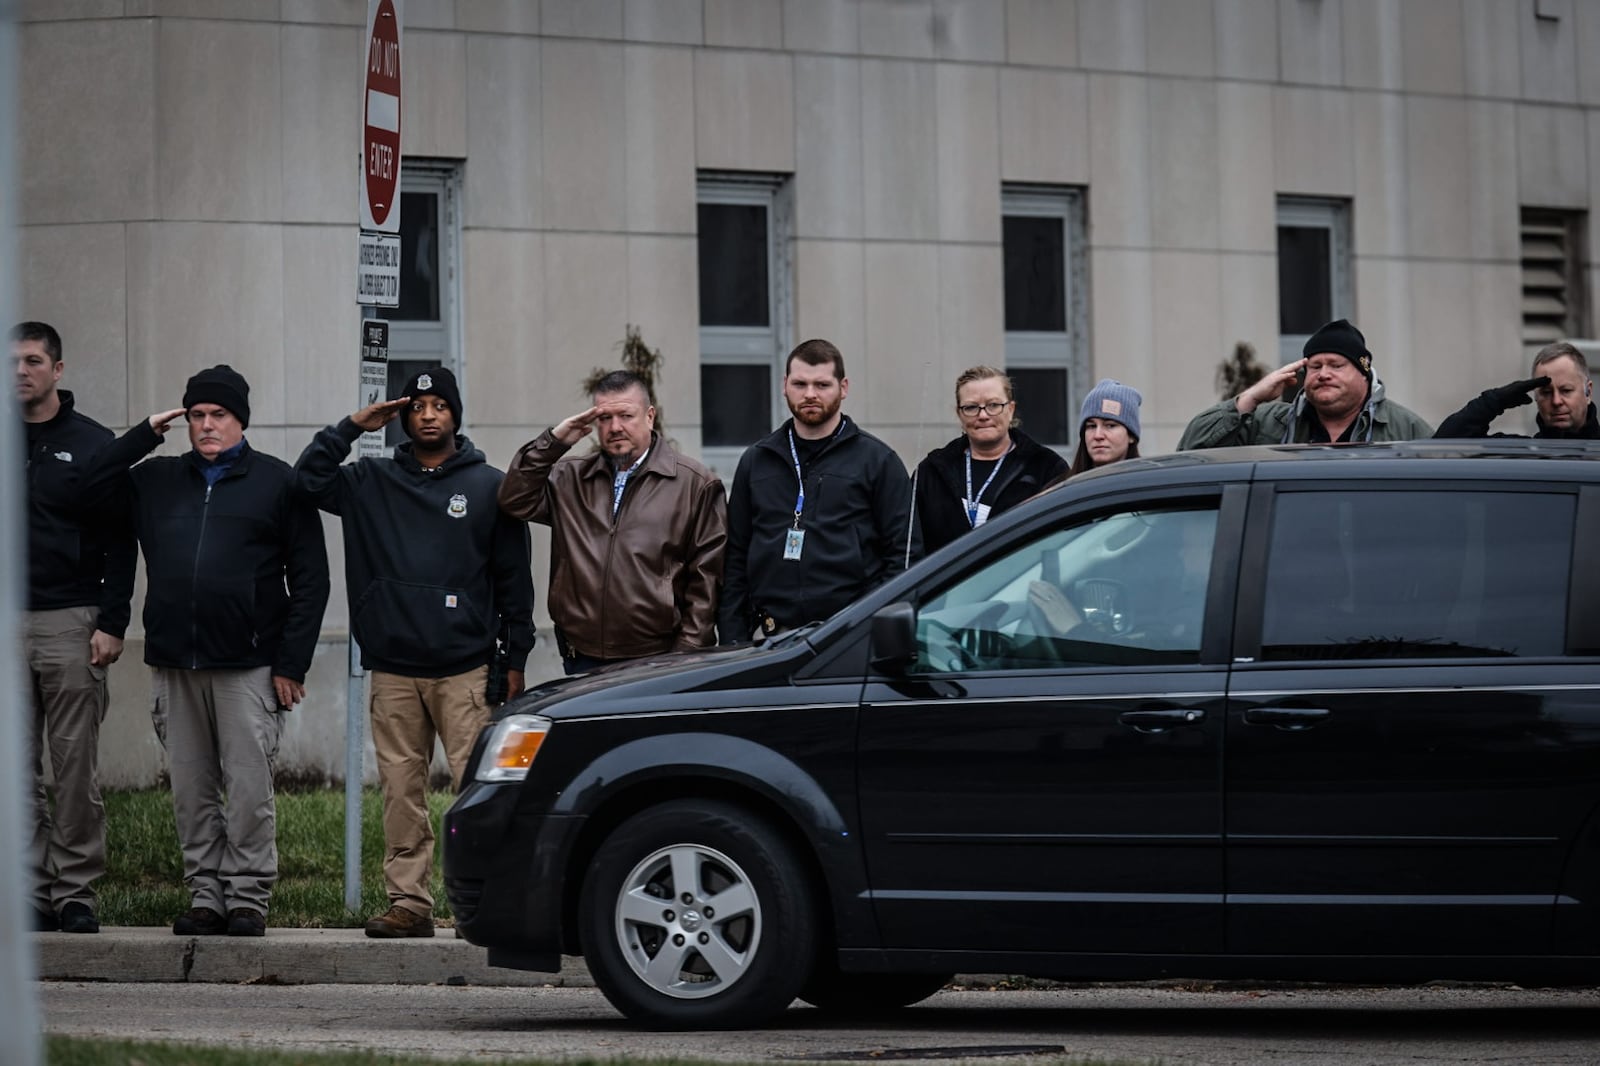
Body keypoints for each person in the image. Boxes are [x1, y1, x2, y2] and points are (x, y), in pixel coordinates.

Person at [295, 365, 534, 939]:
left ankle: (488, 903)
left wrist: (516, 659)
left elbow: (513, 581)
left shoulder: (488, 486)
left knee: (480, 789)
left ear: (456, 414)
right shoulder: (369, 481)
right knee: (402, 793)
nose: (429, 415)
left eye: (440, 406)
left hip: (465, 669)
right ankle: (410, 903)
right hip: (394, 669)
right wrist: (353, 425)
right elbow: (306, 480)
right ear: (403, 416)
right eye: (418, 406)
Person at [91, 365, 330, 938]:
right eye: (196, 415)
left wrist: (291, 663)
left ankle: (248, 897)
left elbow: (312, 580)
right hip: (175, 662)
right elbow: (88, 481)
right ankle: (206, 897)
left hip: (248, 665)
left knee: (249, 789)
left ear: (240, 420)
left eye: (217, 415)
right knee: (191, 790)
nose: (205, 425)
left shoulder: (278, 483)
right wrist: (146, 432)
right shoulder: (155, 480)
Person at [16, 321, 136, 935]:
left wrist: (112, 621)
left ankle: (76, 892)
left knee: (73, 766)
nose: (20, 372)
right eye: (12, 362)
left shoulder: (93, 445)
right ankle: (29, 888)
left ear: (57, 370)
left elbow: (121, 540)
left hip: (71, 620)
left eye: (33, 361)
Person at [498, 370, 726, 674]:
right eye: (604, 418)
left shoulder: (694, 484)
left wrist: (683, 660)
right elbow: (514, 500)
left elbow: (706, 584)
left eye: (626, 415)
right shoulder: (570, 477)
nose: (615, 427)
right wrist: (553, 442)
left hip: (656, 658)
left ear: (649, 416)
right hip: (580, 656)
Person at [720, 339, 916, 642]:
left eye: (822, 384)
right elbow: (735, 557)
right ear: (785, 385)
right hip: (768, 638)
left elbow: (903, 556)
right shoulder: (756, 461)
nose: (810, 394)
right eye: (800, 383)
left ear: (844, 387)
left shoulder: (878, 461)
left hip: (848, 639)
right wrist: (734, 638)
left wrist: (868, 626)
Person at [1178, 319, 1432, 448]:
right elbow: (1191, 451)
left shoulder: (1406, 429)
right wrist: (1251, 397)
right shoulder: (1268, 423)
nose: (1323, 374)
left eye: (1336, 365)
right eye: (1315, 366)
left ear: (1363, 374)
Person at [913, 365, 1068, 555]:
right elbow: (910, 545)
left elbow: (1062, 543)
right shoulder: (931, 472)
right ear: (959, 414)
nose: (983, 415)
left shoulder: (1047, 468)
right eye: (971, 407)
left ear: (1011, 410)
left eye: (993, 405)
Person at [1434, 342, 1598, 440]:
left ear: (1588, 392)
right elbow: (1441, 447)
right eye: (1546, 393)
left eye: (1566, 390)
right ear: (1535, 397)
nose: (1556, 401)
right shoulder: (1523, 455)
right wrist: (1494, 401)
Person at [1066, 379, 1143, 477]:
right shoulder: (1059, 489)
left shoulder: (1149, 487)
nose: (1098, 435)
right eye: (1091, 426)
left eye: (1110, 425)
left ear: (1131, 436)